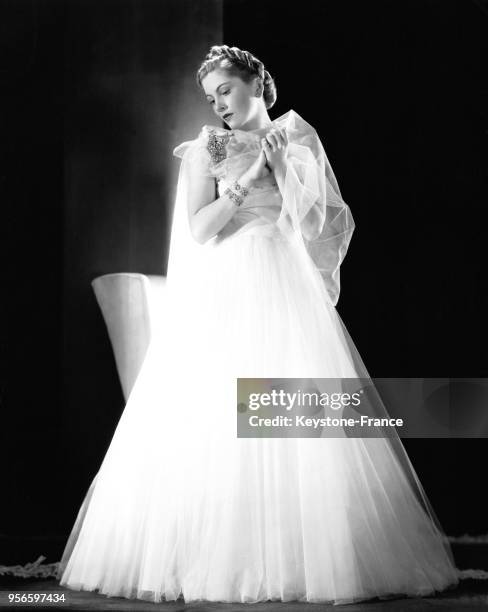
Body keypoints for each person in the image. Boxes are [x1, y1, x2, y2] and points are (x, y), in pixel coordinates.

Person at [56, 45, 460, 605]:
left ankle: (308, 556)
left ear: (256, 82)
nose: (219, 104)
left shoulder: (298, 139)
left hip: (284, 280)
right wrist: (249, 172)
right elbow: (201, 230)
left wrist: (281, 168)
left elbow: (317, 222)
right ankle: (214, 554)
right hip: (230, 280)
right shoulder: (208, 148)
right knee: (219, 414)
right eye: (210, 96)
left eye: (225, 89)